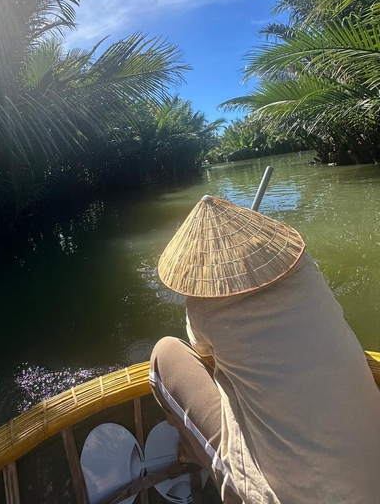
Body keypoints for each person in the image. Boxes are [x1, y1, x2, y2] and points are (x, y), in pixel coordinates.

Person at [149, 195, 380, 504]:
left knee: (164, 353)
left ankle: (195, 451)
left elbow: (203, 353)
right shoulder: (306, 268)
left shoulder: (201, 306)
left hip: (285, 497)